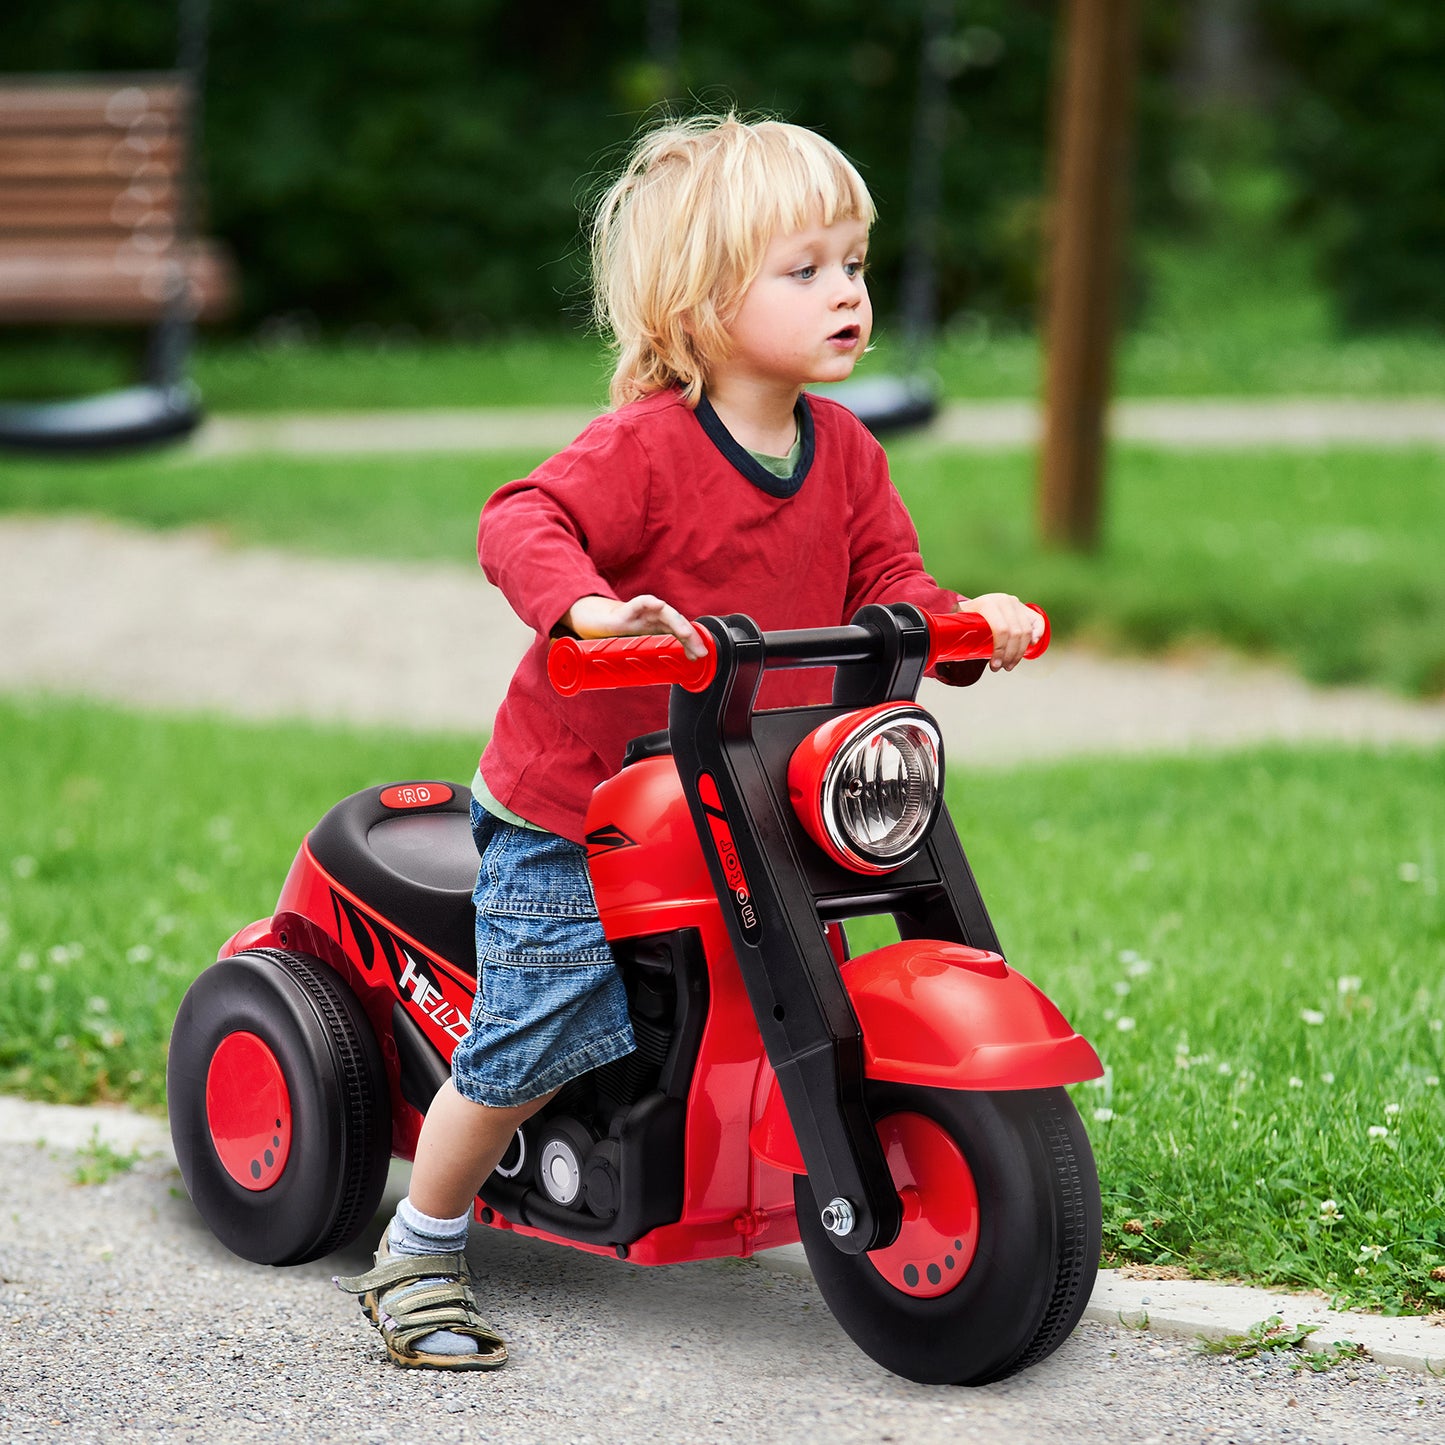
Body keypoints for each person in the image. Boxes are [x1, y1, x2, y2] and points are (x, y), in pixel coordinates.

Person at [335, 112, 1042, 1370]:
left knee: (808, 955)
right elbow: (522, 516)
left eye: (854, 263)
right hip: (581, 803)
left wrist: (963, 623)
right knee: (541, 1021)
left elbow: (895, 584)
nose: (846, 293)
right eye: (804, 269)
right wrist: (593, 609)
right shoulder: (649, 449)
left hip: (752, 791)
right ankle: (421, 1244)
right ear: (704, 305)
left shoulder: (845, 454)